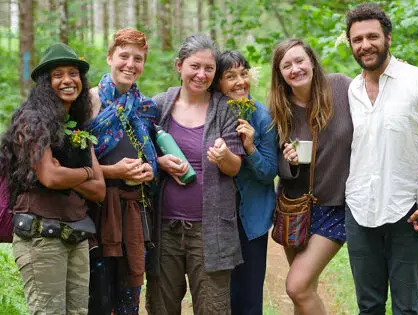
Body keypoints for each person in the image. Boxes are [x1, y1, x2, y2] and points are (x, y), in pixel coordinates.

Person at [344, 3, 418, 314]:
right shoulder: (351, 90)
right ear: (350, 43)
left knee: (406, 308)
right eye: (357, 39)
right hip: (359, 209)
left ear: (388, 37)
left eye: (372, 36)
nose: (365, 45)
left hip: (409, 210)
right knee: (368, 306)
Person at [0, 43, 105, 314]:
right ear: (46, 83)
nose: (68, 80)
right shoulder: (30, 120)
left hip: (77, 237)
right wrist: (85, 172)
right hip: (41, 239)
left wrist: (70, 174)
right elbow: (49, 176)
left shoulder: (78, 127)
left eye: (74, 73)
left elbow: (99, 190)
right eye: (58, 74)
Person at [146, 34, 245, 315]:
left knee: (213, 307)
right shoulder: (159, 105)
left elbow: (235, 167)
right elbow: (142, 154)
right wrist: (160, 161)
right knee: (161, 307)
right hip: (163, 227)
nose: (201, 75)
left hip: (210, 230)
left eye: (209, 68)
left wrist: (224, 157)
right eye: (194, 66)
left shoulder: (225, 108)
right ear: (179, 66)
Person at [269, 39, 353, 314]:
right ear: (279, 73)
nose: (295, 69)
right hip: (295, 208)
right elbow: (277, 165)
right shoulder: (280, 110)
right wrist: (288, 161)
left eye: (299, 61)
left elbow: (376, 110)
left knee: (297, 286)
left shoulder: (342, 87)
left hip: (335, 206)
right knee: (304, 292)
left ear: (312, 62)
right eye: (286, 65)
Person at [87, 28, 158, 315]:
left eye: (138, 58)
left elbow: (153, 156)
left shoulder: (146, 107)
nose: (130, 64)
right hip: (95, 212)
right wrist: (111, 171)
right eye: (124, 56)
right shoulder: (89, 101)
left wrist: (151, 171)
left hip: (134, 212)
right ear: (109, 57)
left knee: (130, 295)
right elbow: (71, 163)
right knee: (98, 296)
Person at [214, 50, 278, 315]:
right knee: (219, 295)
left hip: (251, 218)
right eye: (230, 76)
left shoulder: (262, 117)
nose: (240, 81)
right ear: (218, 82)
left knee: (249, 296)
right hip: (217, 218)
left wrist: (250, 147)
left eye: (244, 74)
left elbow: (268, 173)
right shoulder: (211, 114)